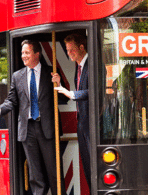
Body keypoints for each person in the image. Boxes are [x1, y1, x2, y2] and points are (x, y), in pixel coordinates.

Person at [0, 40, 67, 195]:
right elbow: (11, 100)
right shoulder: (17, 76)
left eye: (27, 52)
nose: (23, 56)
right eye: (22, 53)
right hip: (27, 130)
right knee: (35, 175)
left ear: (37, 54)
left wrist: (59, 84)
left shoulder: (50, 72)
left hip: (47, 128)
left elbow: (64, 99)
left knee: (54, 171)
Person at [54, 34, 91, 190]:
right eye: (67, 50)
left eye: (71, 50)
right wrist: (59, 84)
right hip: (82, 124)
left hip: (91, 124)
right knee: (87, 166)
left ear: (81, 47)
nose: (68, 53)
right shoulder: (80, 65)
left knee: (92, 166)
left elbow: (94, 91)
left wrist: (71, 94)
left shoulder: (93, 64)